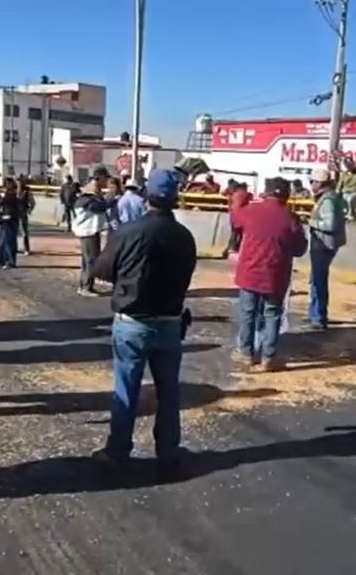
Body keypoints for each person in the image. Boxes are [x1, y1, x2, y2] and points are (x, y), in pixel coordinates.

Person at [89, 168, 196, 473]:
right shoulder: (185, 237)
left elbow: (101, 270)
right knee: (169, 391)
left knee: (127, 389)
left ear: (147, 196)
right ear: (175, 199)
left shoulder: (128, 231)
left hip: (132, 323)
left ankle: (118, 451)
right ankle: (168, 451)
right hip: (170, 323)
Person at [231, 178, 308, 371]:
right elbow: (300, 249)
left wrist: (240, 197)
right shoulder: (290, 217)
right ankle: (268, 358)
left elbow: (235, 219)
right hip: (276, 274)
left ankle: (246, 353)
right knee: (272, 314)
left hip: (250, 271)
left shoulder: (252, 210)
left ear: (266, 193)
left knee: (248, 312)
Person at [306, 170, 347, 329]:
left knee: (318, 280)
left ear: (320, 183)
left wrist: (311, 222)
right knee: (316, 279)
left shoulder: (328, 200)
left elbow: (330, 224)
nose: (311, 185)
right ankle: (315, 314)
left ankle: (318, 316)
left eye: (313, 182)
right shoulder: (330, 197)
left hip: (323, 244)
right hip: (326, 244)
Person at [72, 178, 109, 297]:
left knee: (86, 260)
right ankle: (86, 287)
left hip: (89, 232)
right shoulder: (87, 201)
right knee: (91, 260)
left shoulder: (84, 199)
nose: (97, 188)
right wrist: (105, 198)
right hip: (88, 233)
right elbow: (101, 207)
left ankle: (85, 285)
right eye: (95, 185)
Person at [0, 178, 21, 269]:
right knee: (2, 242)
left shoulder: (13, 195)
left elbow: (1, 202)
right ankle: (1, 261)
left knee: (9, 242)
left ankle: (10, 262)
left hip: (11, 220)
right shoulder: (7, 194)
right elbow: (1, 203)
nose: (6, 186)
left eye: (8, 184)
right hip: (4, 220)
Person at [222, 182, 251, 258]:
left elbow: (225, 196)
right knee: (241, 233)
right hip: (242, 214)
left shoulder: (233, 193)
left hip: (233, 213)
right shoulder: (246, 194)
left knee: (234, 232)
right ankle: (236, 248)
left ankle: (231, 248)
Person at [15, 177, 35, 254]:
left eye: (20, 183)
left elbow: (32, 202)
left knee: (24, 232)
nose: (19, 184)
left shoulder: (27, 191)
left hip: (23, 213)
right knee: (14, 232)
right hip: (14, 213)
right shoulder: (14, 190)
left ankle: (26, 249)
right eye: (17, 183)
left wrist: (28, 211)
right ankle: (15, 248)